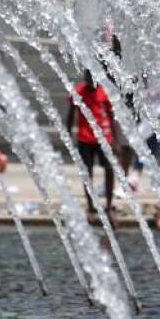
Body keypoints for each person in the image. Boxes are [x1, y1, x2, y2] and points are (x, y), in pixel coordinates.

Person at [66, 69, 116, 221]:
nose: (90, 81)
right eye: (87, 77)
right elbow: (71, 114)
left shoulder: (104, 92)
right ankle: (90, 206)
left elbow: (111, 116)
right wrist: (68, 134)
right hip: (85, 138)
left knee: (109, 170)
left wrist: (115, 139)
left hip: (104, 139)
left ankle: (108, 205)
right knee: (87, 173)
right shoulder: (79, 91)